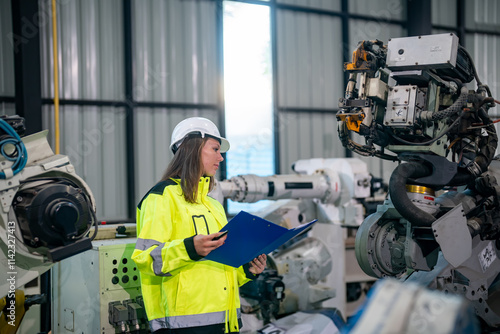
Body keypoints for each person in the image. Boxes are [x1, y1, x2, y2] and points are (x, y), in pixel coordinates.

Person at [132, 117, 267, 334]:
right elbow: (146, 259)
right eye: (215, 149)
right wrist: (189, 248)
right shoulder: (162, 197)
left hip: (227, 321)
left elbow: (219, 269)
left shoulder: (213, 205)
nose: (220, 158)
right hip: (183, 326)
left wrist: (247, 270)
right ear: (192, 149)